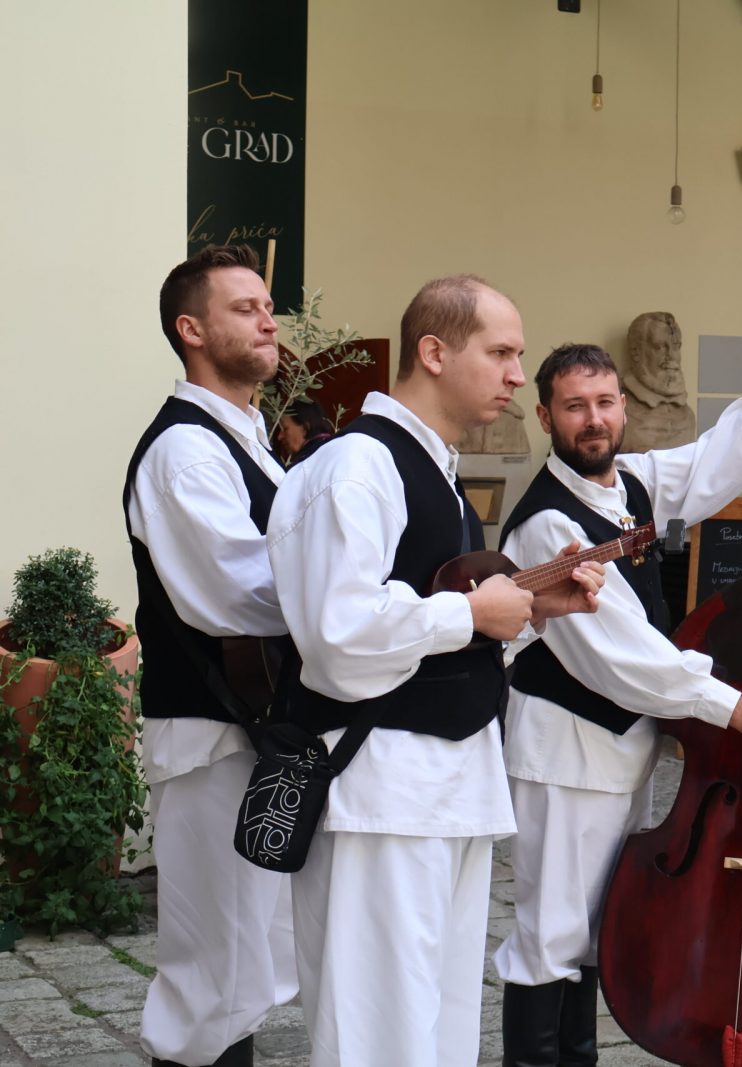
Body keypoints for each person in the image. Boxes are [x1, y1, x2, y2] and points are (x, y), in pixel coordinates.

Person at [265, 275, 606, 1067]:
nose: (517, 375)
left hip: (445, 789)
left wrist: (529, 610)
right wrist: (470, 613)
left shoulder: (435, 471)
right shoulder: (358, 466)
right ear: (433, 351)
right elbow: (337, 632)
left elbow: (433, 627)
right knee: (378, 1038)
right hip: (378, 789)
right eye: (501, 352)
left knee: (441, 1035)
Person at [492, 313, 742, 1066]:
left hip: (621, 754)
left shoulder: (634, 483)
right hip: (564, 756)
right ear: (545, 417)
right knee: (550, 937)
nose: (594, 419)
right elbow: (623, 655)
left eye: (604, 402)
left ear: (623, 406)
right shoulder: (548, 523)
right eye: (575, 406)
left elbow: (716, 458)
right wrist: (732, 707)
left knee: (592, 933)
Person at [124, 243, 297, 1067]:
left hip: (247, 734)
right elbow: (237, 590)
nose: (268, 321)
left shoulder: (247, 439)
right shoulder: (184, 449)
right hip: (209, 738)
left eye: (268, 306)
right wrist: (358, 604)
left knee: (247, 962)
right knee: (211, 975)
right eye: (244, 308)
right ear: (190, 330)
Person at [619, 310, 695, 451]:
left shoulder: (688, 415)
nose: (671, 356)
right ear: (636, 352)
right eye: (659, 347)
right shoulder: (620, 411)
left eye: (676, 347)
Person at [277, 397, 334, 467]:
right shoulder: (331, 450)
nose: (279, 437)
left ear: (305, 427)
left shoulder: (309, 462)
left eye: (285, 429)